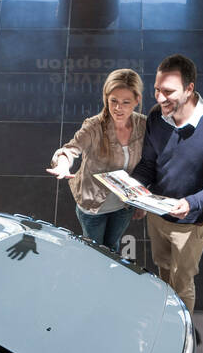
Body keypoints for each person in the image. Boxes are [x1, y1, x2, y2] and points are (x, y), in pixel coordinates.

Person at [131, 54, 203, 314]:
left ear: (190, 88)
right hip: (157, 212)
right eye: (157, 89)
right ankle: (163, 315)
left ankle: (180, 335)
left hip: (190, 224)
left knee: (182, 283)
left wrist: (191, 203)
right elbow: (149, 163)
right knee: (163, 269)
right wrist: (135, 190)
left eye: (168, 91)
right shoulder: (157, 117)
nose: (159, 98)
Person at [46, 68, 146, 254]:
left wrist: (142, 202)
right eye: (113, 101)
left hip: (124, 205)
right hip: (93, 206)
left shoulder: (143, 125)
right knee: (93, 251)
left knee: (112, 247)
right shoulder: (94, 126)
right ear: (106, 97)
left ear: (136, 101)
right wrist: (62, 163)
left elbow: (149, 164)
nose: (118, 108)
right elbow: (69, 149)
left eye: (126, 102)